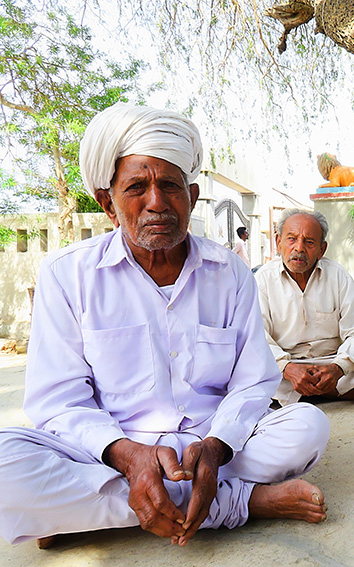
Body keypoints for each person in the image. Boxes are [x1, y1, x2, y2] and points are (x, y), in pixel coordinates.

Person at [0, 103, 330, 548]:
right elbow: (58, 401)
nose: (157, 202)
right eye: (137, 186)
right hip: (111, 451)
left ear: (191, 197)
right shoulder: (67, 274)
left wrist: (217, 445)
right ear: (108, 203)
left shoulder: (229, 272)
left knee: (308, 427)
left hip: (209, 447)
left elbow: (254, 382)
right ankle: (243, 504)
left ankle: (88, 512)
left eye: (171, 186)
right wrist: (130, 457)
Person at [256, 209, 354, 405]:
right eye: (291, 239)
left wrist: (338, 367)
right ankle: (337, 392)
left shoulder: (338, 276)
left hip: (332, 363)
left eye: (309, 242)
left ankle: (317, 390)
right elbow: (257, 338)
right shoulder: (263, 280)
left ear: (322, 249)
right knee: (249, 366)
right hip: (287, 368)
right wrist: (287, 368)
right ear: (278, 242)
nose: (299, 248)